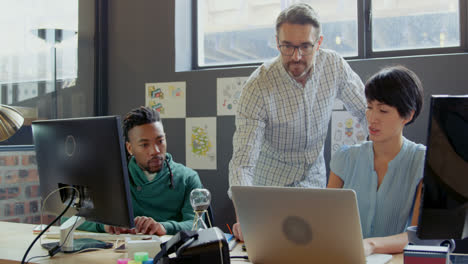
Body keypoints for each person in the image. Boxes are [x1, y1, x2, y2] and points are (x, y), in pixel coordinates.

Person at [228, 3, 367, 240]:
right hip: (269, 188)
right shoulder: (258, 87)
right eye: (287, 47)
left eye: (305, 46)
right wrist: (244, 214)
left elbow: (366, 112)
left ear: (319, 42)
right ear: (277, 42)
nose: (296, 57)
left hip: (314, 184)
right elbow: (243, 162)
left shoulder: (333, 66)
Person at [327, 65, 425, 256]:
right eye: (369, 107)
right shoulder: (345, 158)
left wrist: (370, 245)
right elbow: (326, 221)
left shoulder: (421, 161)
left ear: (408, 115)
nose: (372, 118)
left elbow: (416, 235)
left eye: (383, 111)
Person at [71, 106, 203, 235]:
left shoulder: (188, 178)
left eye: (160, 141)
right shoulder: (111, 177)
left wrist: (163, 227)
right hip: (119, 254)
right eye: (145, 145)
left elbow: (198, 223)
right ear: (130, 148)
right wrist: (104, 225)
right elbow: (70, 218)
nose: (155, 151)